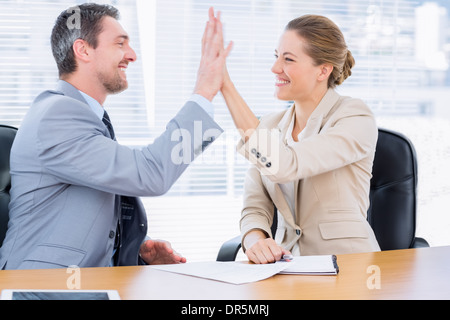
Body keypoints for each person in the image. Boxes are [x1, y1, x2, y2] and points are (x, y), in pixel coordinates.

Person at [0, 4, 232, 269]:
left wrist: (137, 251)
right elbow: (150, 174)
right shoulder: (57, 115)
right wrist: (203, 92)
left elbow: (82, 211)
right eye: (120, 44)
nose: (131, 55)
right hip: (42, 289)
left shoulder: (85, 115)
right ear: (83, 49)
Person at [219, 15, 381, 264]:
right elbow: (254, 207)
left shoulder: (355, 117)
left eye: (288, 59)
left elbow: (286, 165)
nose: (275, 68)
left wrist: (225, 86)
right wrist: (255, 240)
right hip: (288, 267)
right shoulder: (271, 126)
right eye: (276, 56)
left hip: (350, 267)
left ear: (323, 70)